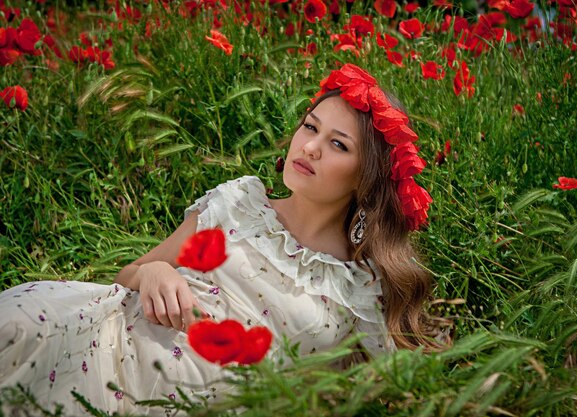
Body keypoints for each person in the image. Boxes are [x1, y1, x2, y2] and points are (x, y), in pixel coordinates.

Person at [0, 63, 441, 416]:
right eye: (310, 127)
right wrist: (153, 272)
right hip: (107, 347)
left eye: (338, 144)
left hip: (182, 405)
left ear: (366, 178)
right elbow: (129, 272)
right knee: (16, 326)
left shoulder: (359, 291)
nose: (309, 147)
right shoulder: (238, 203)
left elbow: (365, 396)